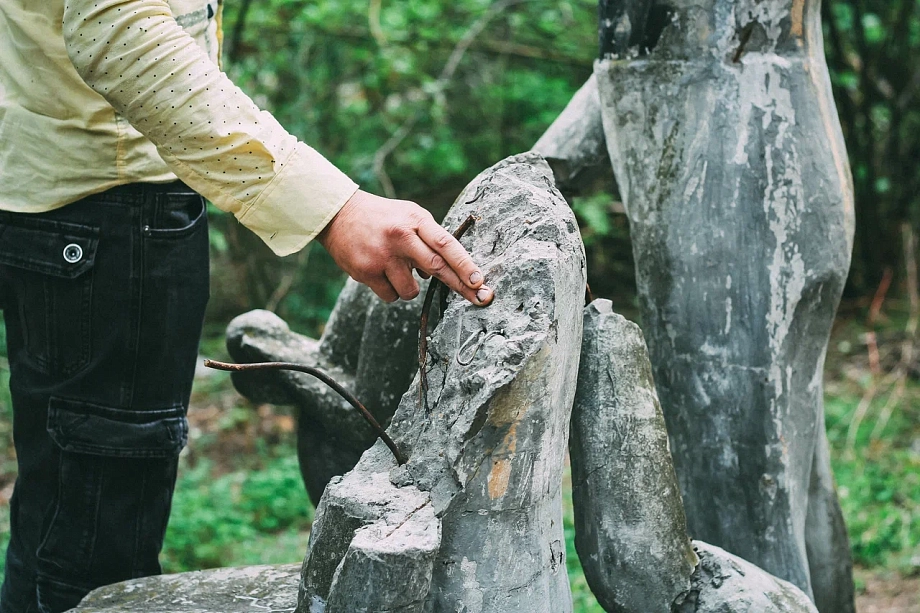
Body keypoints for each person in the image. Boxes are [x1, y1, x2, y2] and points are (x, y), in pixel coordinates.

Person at [0, 1, 494, 610]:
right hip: (107, 210)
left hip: (76, 205)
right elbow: (118, 28)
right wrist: (332, 206)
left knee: (60, 521)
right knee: (89, 560)